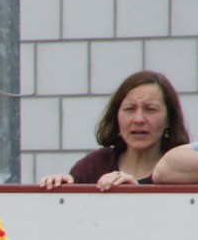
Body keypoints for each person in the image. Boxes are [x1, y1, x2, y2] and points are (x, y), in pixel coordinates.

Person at [38, 70, 191, 191]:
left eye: (150, 109)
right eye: (129, 109)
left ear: (169, 119)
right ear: (116, 116)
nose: (138, 119)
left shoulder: (183, 171)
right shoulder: (93, 166)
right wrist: (58, 187)